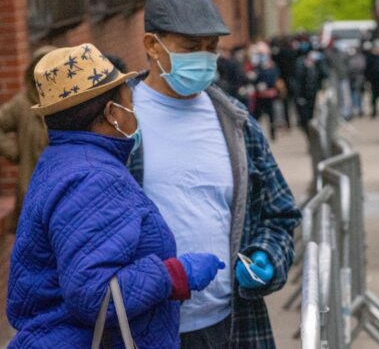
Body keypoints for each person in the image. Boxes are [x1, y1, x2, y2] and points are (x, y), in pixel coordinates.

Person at [7, 44, 223, 348]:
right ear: (112, 114)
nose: (134, 113)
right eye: (129, 103)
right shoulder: (94, 178)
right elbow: (94, 296)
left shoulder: (63, 159)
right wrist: (175, 275)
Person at [133, 0, 301, 348]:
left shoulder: (236, 124)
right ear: (151, 45)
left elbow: (281, 215)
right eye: (191, 48)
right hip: (141, 328)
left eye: (211, 48)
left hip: (230, 325)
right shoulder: (117, 123)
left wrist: (266, 256)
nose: (205, 59)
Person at [0, 46, 54, 233]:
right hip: (30, 190)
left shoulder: (67, 105)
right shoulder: (21, 104)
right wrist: (14, 152)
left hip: (62, 191)